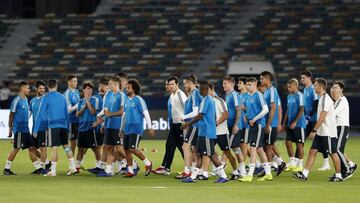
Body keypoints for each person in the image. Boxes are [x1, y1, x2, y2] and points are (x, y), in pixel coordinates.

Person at [292, 78, 342, 182]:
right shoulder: (321, 98)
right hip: (322, 132)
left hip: (327, 132)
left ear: (321, 87)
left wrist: (314, 130)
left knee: (333, 153)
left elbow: (322, 117)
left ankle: (338, 175)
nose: (314, 87)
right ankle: (304, 174)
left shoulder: (325, 99)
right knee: (312, 151)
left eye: (315, 85)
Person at [181, 81, 228, 183]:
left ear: (206, 89)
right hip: (203, 132)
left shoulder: (207, 100)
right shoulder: (205, 100)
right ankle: (193, 177)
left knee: (211, 154)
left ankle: (223, 176)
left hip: (207, 132)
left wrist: (187, 124)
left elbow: (200, 116)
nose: (199, 90)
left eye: (201, 89)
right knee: (198, 153)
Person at [33, 79, 77, 176]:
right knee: (66, 147)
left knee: (54, 148)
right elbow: (66, 113)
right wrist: (67, 127)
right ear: (56, 86)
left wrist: (36, 129)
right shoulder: (62, 97)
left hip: (53, 126)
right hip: (64, 126)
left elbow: (40, 114)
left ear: (48, 87)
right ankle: (73, 167)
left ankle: (53, 171)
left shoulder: (46, 98)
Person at [3, 81, 41, 175]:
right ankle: (7, 169)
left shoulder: (25, 99)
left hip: (26, 129)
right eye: (27, 88)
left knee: (32, 148)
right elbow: (11, 115)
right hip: (19, 129)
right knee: (16, 148)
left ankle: (38, 168)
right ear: (22, 89)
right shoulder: (17, 100)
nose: (29, 90)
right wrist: (10, 129)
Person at [239, 77, 272, 182]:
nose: (247, 87)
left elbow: (265, 109)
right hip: (251, 125)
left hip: (258, 125)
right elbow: (251, 109)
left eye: (249, 85)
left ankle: (250, 175)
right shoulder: (249, 96)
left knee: (253, 148)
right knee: (260, 150)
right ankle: (268, 173)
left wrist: (254, 119)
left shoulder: (259, 95)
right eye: (247, 85)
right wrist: (246, 115)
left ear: (255, 85)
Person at [122, 79, 155, 177]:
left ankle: (148, 163)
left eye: (128, 88)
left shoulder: (139, 100)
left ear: (134, 89)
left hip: (136, 128)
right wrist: (121, 129)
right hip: (127, 128)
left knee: (132, 148)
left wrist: (150, 127)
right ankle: (131, 171)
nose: (126, 89)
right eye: (126, 87)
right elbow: (124, 115)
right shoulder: (126, 100)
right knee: (126, 150)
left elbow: (146, 113)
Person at [153, 77, 186, 175]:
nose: (170, 86)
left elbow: (187, 108)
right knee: (170, 145)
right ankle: (166, 167)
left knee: (182, 147)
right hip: (175, 124)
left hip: (181, 125)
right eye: (169, 84)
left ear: (177, 84)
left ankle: (190, 168)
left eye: (172, 84)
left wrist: (186, 123)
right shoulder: (172, 95)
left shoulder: (180, 95)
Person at [96, 76, 126, 177]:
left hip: (118, 125)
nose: (109, 86)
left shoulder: (122, 95)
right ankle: (108, 170)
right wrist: (104, 122)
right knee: (108, 147)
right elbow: (106, 110)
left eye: (110, 84)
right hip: (109, 125)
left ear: (116, 84)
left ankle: (132, 164)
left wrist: (110, 114)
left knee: (119, 149)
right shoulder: (109, 95)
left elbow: (122, 112)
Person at [175, 74, 202, 179]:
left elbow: (196, 111)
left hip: (195, 125)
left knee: (185, 147)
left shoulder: (195, 93)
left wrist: (184, 116)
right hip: (193, 124)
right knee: (194, 150)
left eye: (185, 83)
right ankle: (194, 171)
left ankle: (188, 171)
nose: (184, 85)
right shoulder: (192, 94)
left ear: (191, 83)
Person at [260, 71, 287, 176]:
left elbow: (274, 108)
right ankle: (280, 163)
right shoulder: (266, 91)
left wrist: (268, 125)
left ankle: (269, 169)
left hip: (271, 124)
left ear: (267, 79)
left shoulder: (272, 91)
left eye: (262, 78)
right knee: (265, 147)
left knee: (268, 147)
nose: (260, 80)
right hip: (267, 123)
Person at [330, 81, 357, 180]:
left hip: (342, 127)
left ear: (341, 90)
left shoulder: (342, 100)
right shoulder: (337, 101)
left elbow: (333, 113)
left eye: (336, 88)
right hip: (337, 127)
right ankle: (350, 165)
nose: (333, 89)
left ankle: (346, 170)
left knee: (336, 149)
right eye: (332, 88)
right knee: (337, 149)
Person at [75, 81, 101, 173]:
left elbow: (94, 112)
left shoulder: (95, 99)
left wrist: (87, 102)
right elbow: (77, 114)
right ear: (84, 89)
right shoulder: (80, 101)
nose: (89, 90)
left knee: (96, 149)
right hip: (82, 128)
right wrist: (83, 107)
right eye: (88, 88)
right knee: (80, 149)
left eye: (91, 89)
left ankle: (99, 167)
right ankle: (77, 168)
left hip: (91, 128)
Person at [223, 76, 246, 178]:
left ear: (231, 84)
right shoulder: (228, 95)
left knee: (235, 148)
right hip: (229, 125)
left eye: (225, 83)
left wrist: (236, 124)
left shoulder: (235, 95)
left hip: (235, 125)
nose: (223, 85)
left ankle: (242, 170)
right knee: (232, 147)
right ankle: (237, 170)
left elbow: (238, 110)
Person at [282, 78, 306, 172]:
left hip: (299, 125)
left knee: (299, 145)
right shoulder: (289, 96)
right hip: (290, 124)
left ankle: (300, 164)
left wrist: (295, 122)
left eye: (290, 86)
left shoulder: (300, 95)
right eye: (288, 87)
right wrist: (284, 123)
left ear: (296, 86)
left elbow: (301, 109)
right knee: (287, 143)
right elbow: (288, 111)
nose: (288, 88)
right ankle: (292, 163)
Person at [29, 80, 50, 174]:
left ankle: (42, 167)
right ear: (36, 89)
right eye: (40, 88)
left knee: (43, 147)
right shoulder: (32, 101)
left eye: (43, 89)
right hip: (34, 129)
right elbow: (29, 114)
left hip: (44, 128)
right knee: (32, 148)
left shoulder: (46, 100)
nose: (42, 90)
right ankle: (44, 164)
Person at [64, 74, 80, 154]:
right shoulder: (67, 94)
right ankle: (71, 162)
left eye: (76, 81)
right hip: (71, 121)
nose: (76, 82)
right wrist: (78, 105)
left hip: (79, 120)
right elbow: (69, 109)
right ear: (69, 82)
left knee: (80, 143)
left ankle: (77, 162)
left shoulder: (77, 91)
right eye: (74, 81)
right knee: (72, 143)